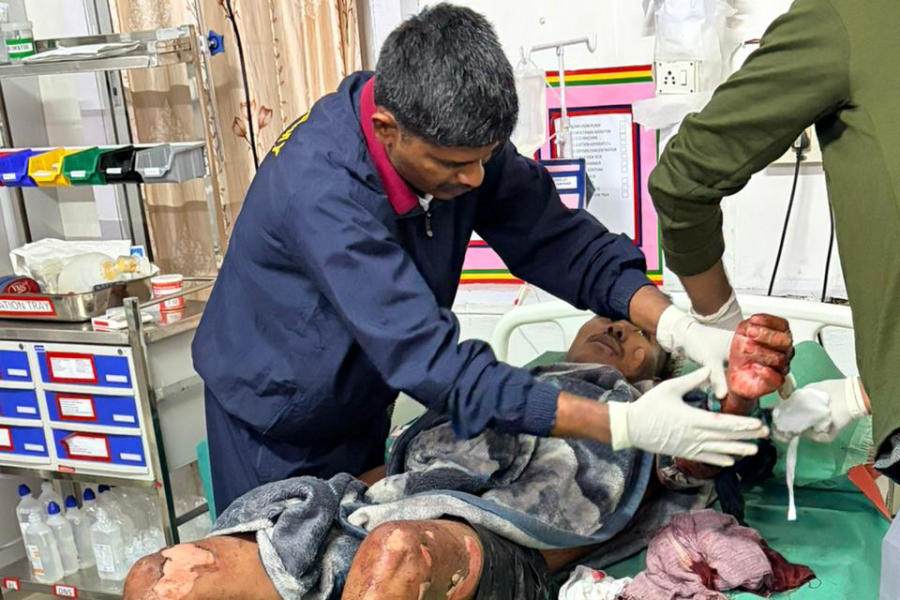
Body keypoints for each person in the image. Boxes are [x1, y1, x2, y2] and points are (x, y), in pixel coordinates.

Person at [193, 2, 767, 515]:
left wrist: (679, 325)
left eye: (485, 159)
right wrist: (623, 424)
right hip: (273, 417)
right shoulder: (323, 193)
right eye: (452, 166)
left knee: (358, 559)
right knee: (275, 567)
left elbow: (557, 240)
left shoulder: (454, 139)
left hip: (360, 399)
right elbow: (435, 363)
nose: (473, 180)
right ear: (385, 129)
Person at [127, 314, 792, 600]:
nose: (619, 329)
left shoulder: (650, 408)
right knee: (157, 578)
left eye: (642, 336)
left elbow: (700, 462)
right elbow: (399, 463)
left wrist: (734, 397)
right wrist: (330, 502)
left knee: (396, 556)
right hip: (382, 509)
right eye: (610, 319)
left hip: (489, 542)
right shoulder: (502, 381)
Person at [647, 0, 897, 476]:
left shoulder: (850, 16)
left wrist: (720, 325)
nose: (615, 330)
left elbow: (682, 183)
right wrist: (866, 392)